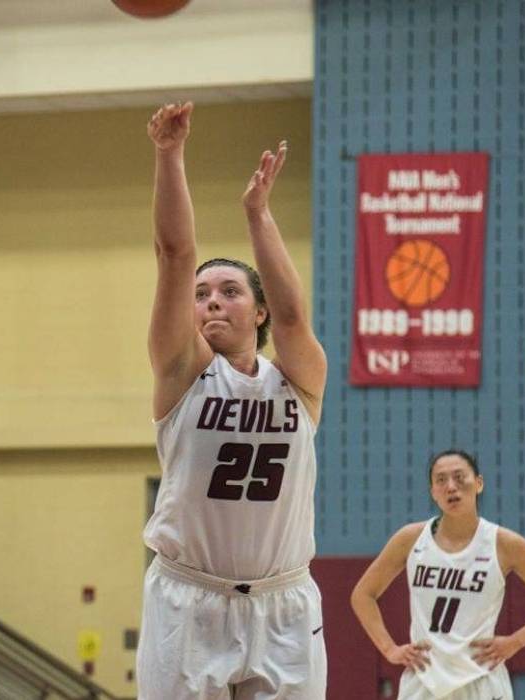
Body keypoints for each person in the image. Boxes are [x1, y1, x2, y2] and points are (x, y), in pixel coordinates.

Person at [136, 102, 328, 699]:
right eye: (202, 295)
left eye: (229, 291)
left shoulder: (298, 380)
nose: (211, 301)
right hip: (188, 600)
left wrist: (258, 214)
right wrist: (170, 155)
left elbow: (296, 312)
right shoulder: (183, 373)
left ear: (259, 310)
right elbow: (174, 256)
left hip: (283, 602)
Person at [350, 450, 525, 699]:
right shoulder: (410, 539)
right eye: (441, 480)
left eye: (459, 477)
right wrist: (389, 649)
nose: (451, 487)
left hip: (481, 679)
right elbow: (363, 594)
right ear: (433, 492)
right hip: (424, 679)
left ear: (478, 483)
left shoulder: (505, 544)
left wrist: (515, 642)